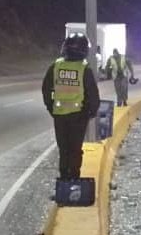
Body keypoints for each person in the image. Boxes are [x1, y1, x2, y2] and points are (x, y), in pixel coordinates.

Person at [42, 33, 100, 179]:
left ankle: (63, 177)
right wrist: (91, 112)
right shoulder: (84, 69)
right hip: (78, 116)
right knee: (75, 149)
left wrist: (51, 108)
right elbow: (93, 93)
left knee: (64, 148)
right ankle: (74, 178)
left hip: (59, 115)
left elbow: (46, 89)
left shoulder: (56, 66)